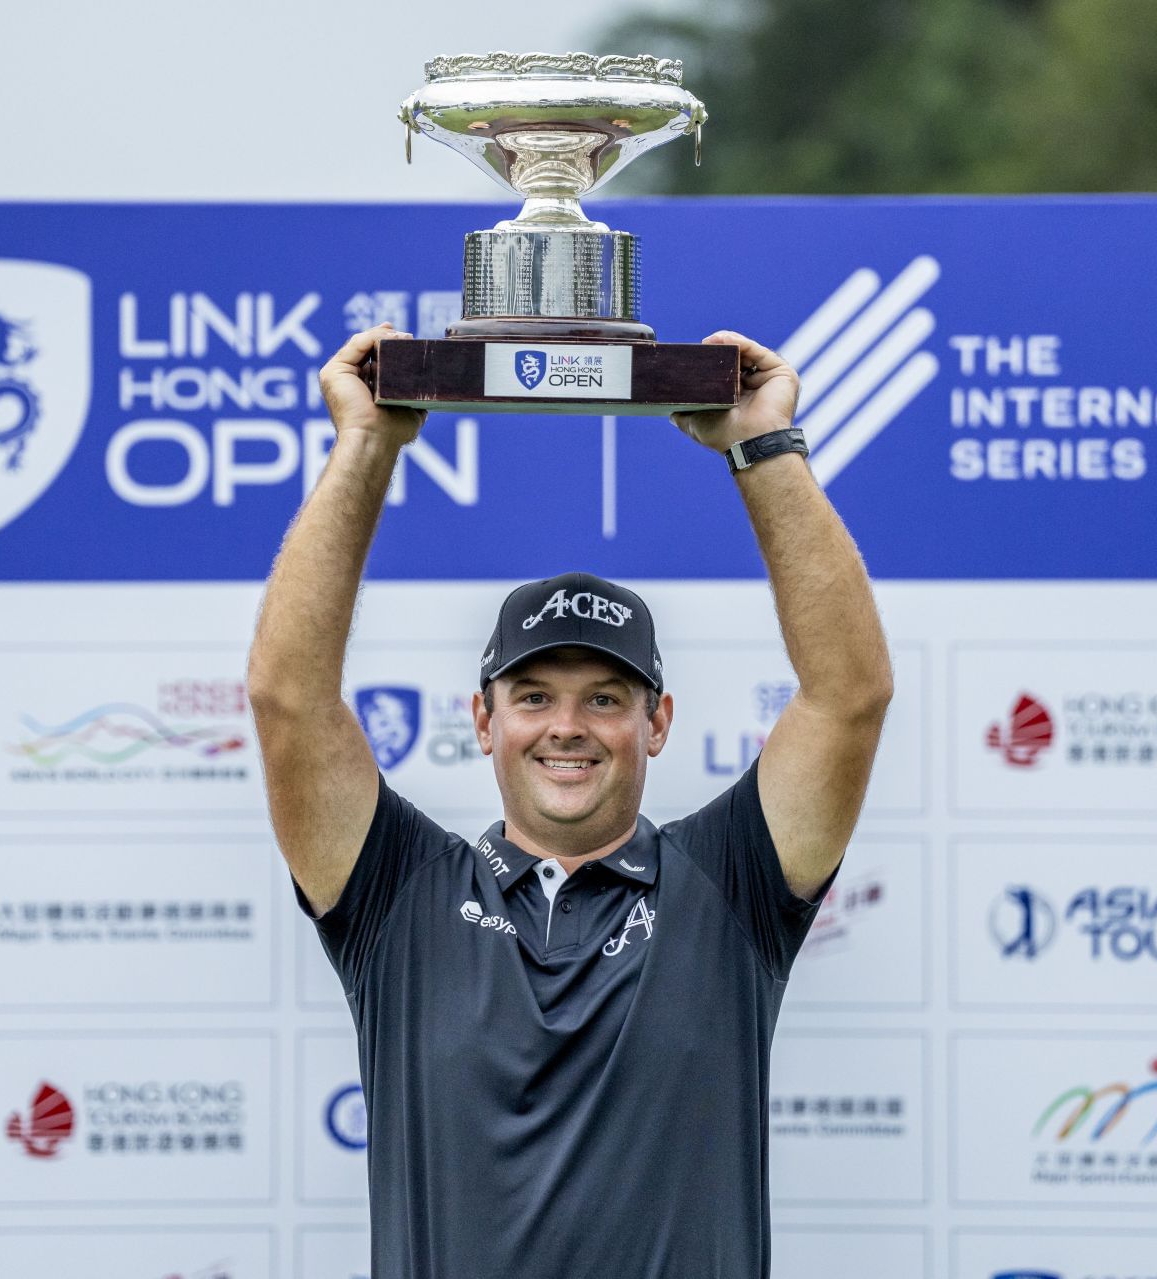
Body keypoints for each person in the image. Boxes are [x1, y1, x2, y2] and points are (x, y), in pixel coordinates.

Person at [248, 323, 894, 1279]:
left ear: (659, 721)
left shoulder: (731, 883)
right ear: (483, 719)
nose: (568, 727)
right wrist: (365, 446)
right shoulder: (395, 893)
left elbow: (849, 696)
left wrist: (763, 445)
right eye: (535, 696)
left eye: (605, 698)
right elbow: (288, 702)